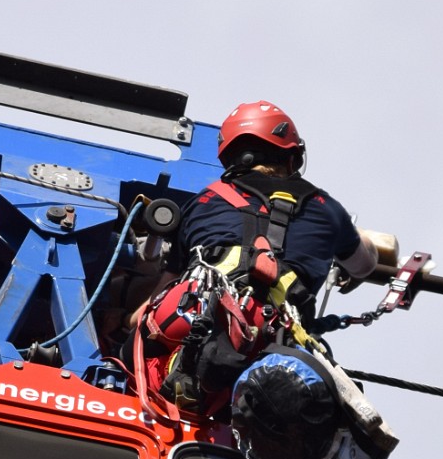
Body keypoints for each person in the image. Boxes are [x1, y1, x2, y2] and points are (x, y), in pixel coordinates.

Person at [124, 100, 379, 417]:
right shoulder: (325, 208)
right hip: (273, 343)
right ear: (292, 156)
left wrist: (126, 322)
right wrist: (361, 237)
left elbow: (157, 296)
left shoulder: (204, 201)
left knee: (134, 339)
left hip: (188, 317)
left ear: (231, 157)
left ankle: (181, 372)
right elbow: (364, 265)